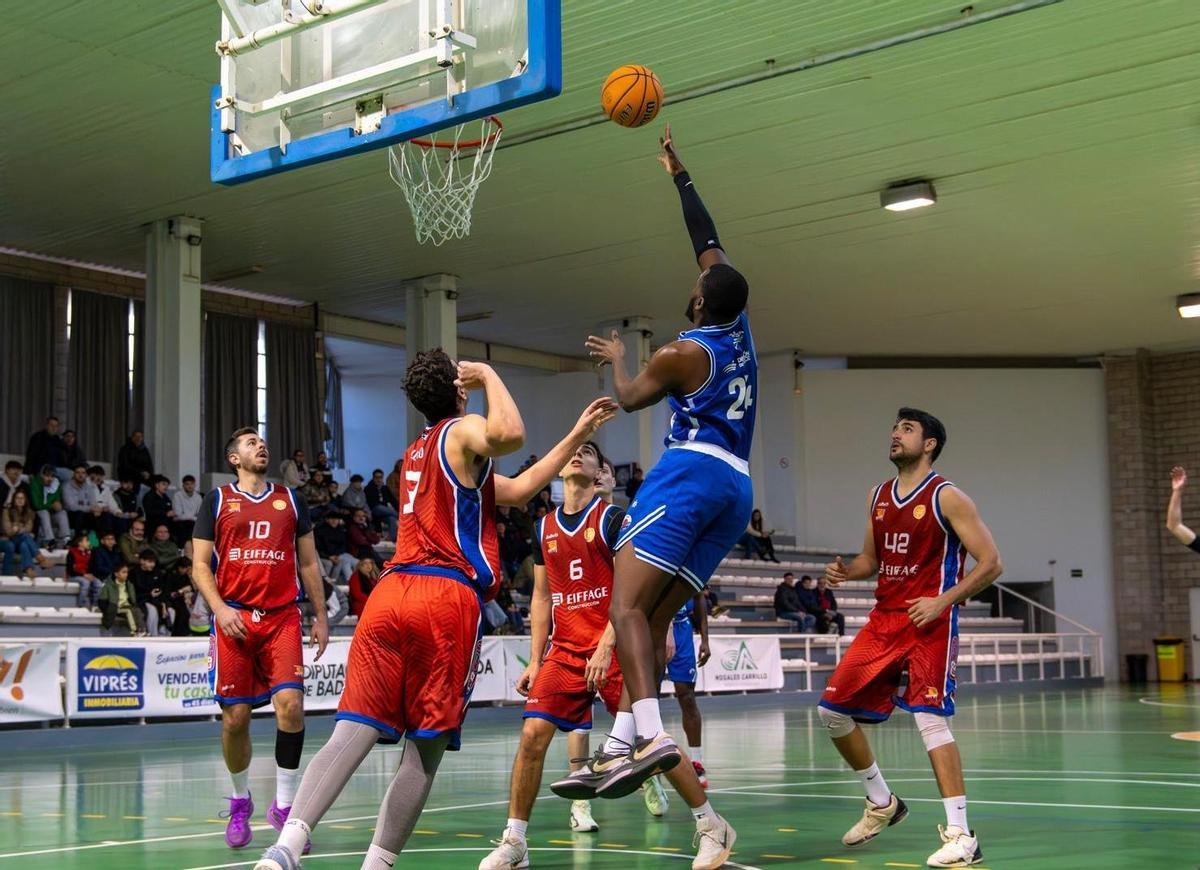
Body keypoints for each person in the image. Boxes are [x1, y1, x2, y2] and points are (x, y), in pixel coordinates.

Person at [253, 351, 615, 870]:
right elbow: (510, 435)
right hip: (442, 598)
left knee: (352, 728)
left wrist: (575, 433)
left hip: (389, 595)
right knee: (426, 746)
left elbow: (516, 489)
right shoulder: (463, 429)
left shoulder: (418, 452)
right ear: (459, 390)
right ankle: (376, 865)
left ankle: (285, 848)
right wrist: (491, 371)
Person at [581, 125, 752, 864]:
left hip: (690, 473)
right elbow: (707, 237)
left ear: (697, 300)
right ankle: (624, 738)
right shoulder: (738, 325)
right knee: (650, 617)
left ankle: (647, 733)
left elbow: (625, 399)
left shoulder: (683, 353)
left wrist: (619, 361)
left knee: (622, 605)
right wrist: (680, 175)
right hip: (739, 489)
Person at [482, 441, 702, 868]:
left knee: (654, 743)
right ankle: (515, 842)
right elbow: (542, 597)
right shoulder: (543, 526)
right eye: (573, 450)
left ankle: (708, 821)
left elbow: (630, 592)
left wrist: (606, 644)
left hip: (616, 647)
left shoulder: (613, 519)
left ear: (602, 470)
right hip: (564, 651)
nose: (577, 454)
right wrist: (537, 657)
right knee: (532, 737)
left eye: (589, 452)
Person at [819, 408, 1002, 868]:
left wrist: (943, 601)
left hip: (929, 624)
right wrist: (846, 571)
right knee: (831, 712)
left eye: (906, 429)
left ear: (930, 443)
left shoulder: (949, 497)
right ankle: (882, 802)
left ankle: (962, 836)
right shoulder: (877, 496)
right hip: (885, 620)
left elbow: (992, 562)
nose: (895, 435)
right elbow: (871, 560)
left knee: (930, 722)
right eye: (894, 428)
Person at [190, 428, 328, 852]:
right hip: (233, 619)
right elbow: (198, 565)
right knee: (236, 719)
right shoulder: (216, 500)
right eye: (250, 442)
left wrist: (321, 615)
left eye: (262, 441)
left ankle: (285, 809)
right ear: (234, 458)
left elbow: (308, 561)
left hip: (282, 617)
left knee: (292, 707)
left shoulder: (291, 500)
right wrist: (220, 610)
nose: (260, 445)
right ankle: (239, 801)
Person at [664, 593, 712, 788]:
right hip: (655, 630)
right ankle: (646, 761)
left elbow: (699, 599)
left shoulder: (692, 565)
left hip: (682, 631)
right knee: (648, 698)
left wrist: (705, 639)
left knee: (688, 698)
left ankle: (696, 761)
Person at [2, 491, 48, 577]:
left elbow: (28, 528)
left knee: (24, 544)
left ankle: (27, 570)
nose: (20, 500)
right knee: (24, 537)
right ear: (13, 499)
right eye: (17, 498)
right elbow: (8, 531)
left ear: (25, 500)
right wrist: (21, 528)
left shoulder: (29, 513)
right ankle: (39, 560)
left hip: (19, 540)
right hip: (7, 539)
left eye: (22, 498)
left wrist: (17, 528)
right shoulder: (7, 511)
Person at [98, 562, 146, 636]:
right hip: (115, 607)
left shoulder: (129, 584)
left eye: (127, 572)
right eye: (123, 572)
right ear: (116, 574)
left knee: (137, 610)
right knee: (128, 611)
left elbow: (132, 599)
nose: (126, 574)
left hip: (127, 605)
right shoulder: (108, 585)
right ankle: (134, 632)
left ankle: (142, 630)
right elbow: (102, 601)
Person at [30, 464, 70, 548]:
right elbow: (37, 505)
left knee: (62, 512)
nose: (50, 479)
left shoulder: (56, 484)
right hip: (38, 515)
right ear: (42, 475)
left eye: (52, 476)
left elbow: (57, 500)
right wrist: (51, 505)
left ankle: (66, 539)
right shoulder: (35, 483)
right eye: (47, 476)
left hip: (51, 514)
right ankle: (49, 540)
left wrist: (58, 505)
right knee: (44, 512)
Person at [130, 548, 167, 636]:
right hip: (141, 601)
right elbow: (133, 594)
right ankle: (152, 637)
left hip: (157, 600)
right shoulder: (133, 574)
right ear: (142, 561)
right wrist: (149, 594)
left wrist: (164, 604)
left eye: (154, 562)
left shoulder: (157, 572)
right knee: (152, 610)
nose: (153, 565)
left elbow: (162, 589)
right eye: (150, 562)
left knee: (171, 611)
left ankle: (165, 637)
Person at [315, 511, 358, 583]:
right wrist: (329, 556)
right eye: (332, 519)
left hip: (337, 555)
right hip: (322, 556)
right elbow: (317, 548)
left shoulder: (340, 530)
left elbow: (343, 546)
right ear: (327, 520)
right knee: (329, 563)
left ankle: (333, 582)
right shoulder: (319, 531)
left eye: (336, 519)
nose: (334, 521)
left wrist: (336, 556)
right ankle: (324, 583)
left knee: (341, 561)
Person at [67, 534, 101, 610]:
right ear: (80, 543)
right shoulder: (71, 553)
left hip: (85, 575)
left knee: (98, 583)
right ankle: (81, 606)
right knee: (85, 582)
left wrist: (90, 574)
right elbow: (70, 570)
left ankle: (95, 606)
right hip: (73, 576)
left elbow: (92, 567)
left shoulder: (89, 553)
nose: (89, 543)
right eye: (87, 541)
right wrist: (83, 575)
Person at [364, 468, 400, 539]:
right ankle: (402, 517)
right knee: (380, 507)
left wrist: (400, 509)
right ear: (373, 478)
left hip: (384, 512)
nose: (378, 479)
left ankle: (391, 539)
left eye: (380, 477)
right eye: (376, 477)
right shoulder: (368, 488)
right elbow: (372, 503)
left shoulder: (385, 488)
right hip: (374, 510)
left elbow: (393, 501)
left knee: (392, 519)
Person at [62, 464, 97, 534]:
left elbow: (93, 503)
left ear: (86, 475)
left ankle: (94, 543)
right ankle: (78, 540)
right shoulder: (66, 486)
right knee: (80, 514)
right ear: (73, 474)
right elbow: (71, 506)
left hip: (86, 514)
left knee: (99, 516)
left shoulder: (88, 487)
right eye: (78, 472)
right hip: (70, 515)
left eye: (83, 473)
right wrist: (89, 509)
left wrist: (96, 509)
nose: (80, 475)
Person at [172, 475, 203, 543]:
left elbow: (199, 513)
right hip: (180, 522)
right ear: (183, 485)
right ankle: (184, 548)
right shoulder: (177, 495)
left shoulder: (198, 497)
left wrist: (193, 518)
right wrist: (192, 517)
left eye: (192, 484)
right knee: (187, 527)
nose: (190, 486)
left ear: (195, 485)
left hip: (193, 522)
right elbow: (178, 513)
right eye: (187, 484)